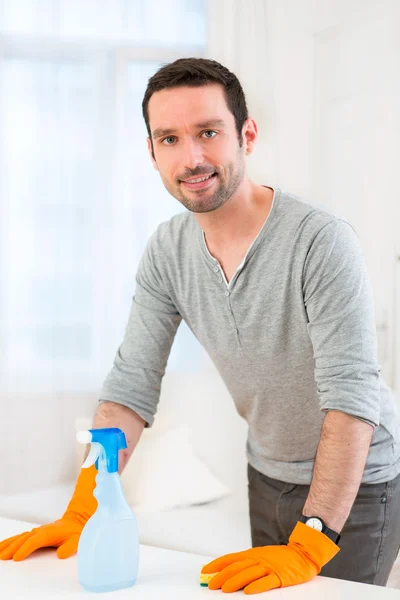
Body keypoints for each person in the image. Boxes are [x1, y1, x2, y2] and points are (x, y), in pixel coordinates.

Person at [1, 57, 400, 593]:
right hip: (267, 474)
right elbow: (130, 388)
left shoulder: (320, 240)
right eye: (169, 139)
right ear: (151, 152)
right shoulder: (168, 251)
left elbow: (352, 397)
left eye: (208, 132)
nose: (191, 158)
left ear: (246, 135)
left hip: (357, 486)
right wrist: (86, 503)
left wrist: (314, 535)